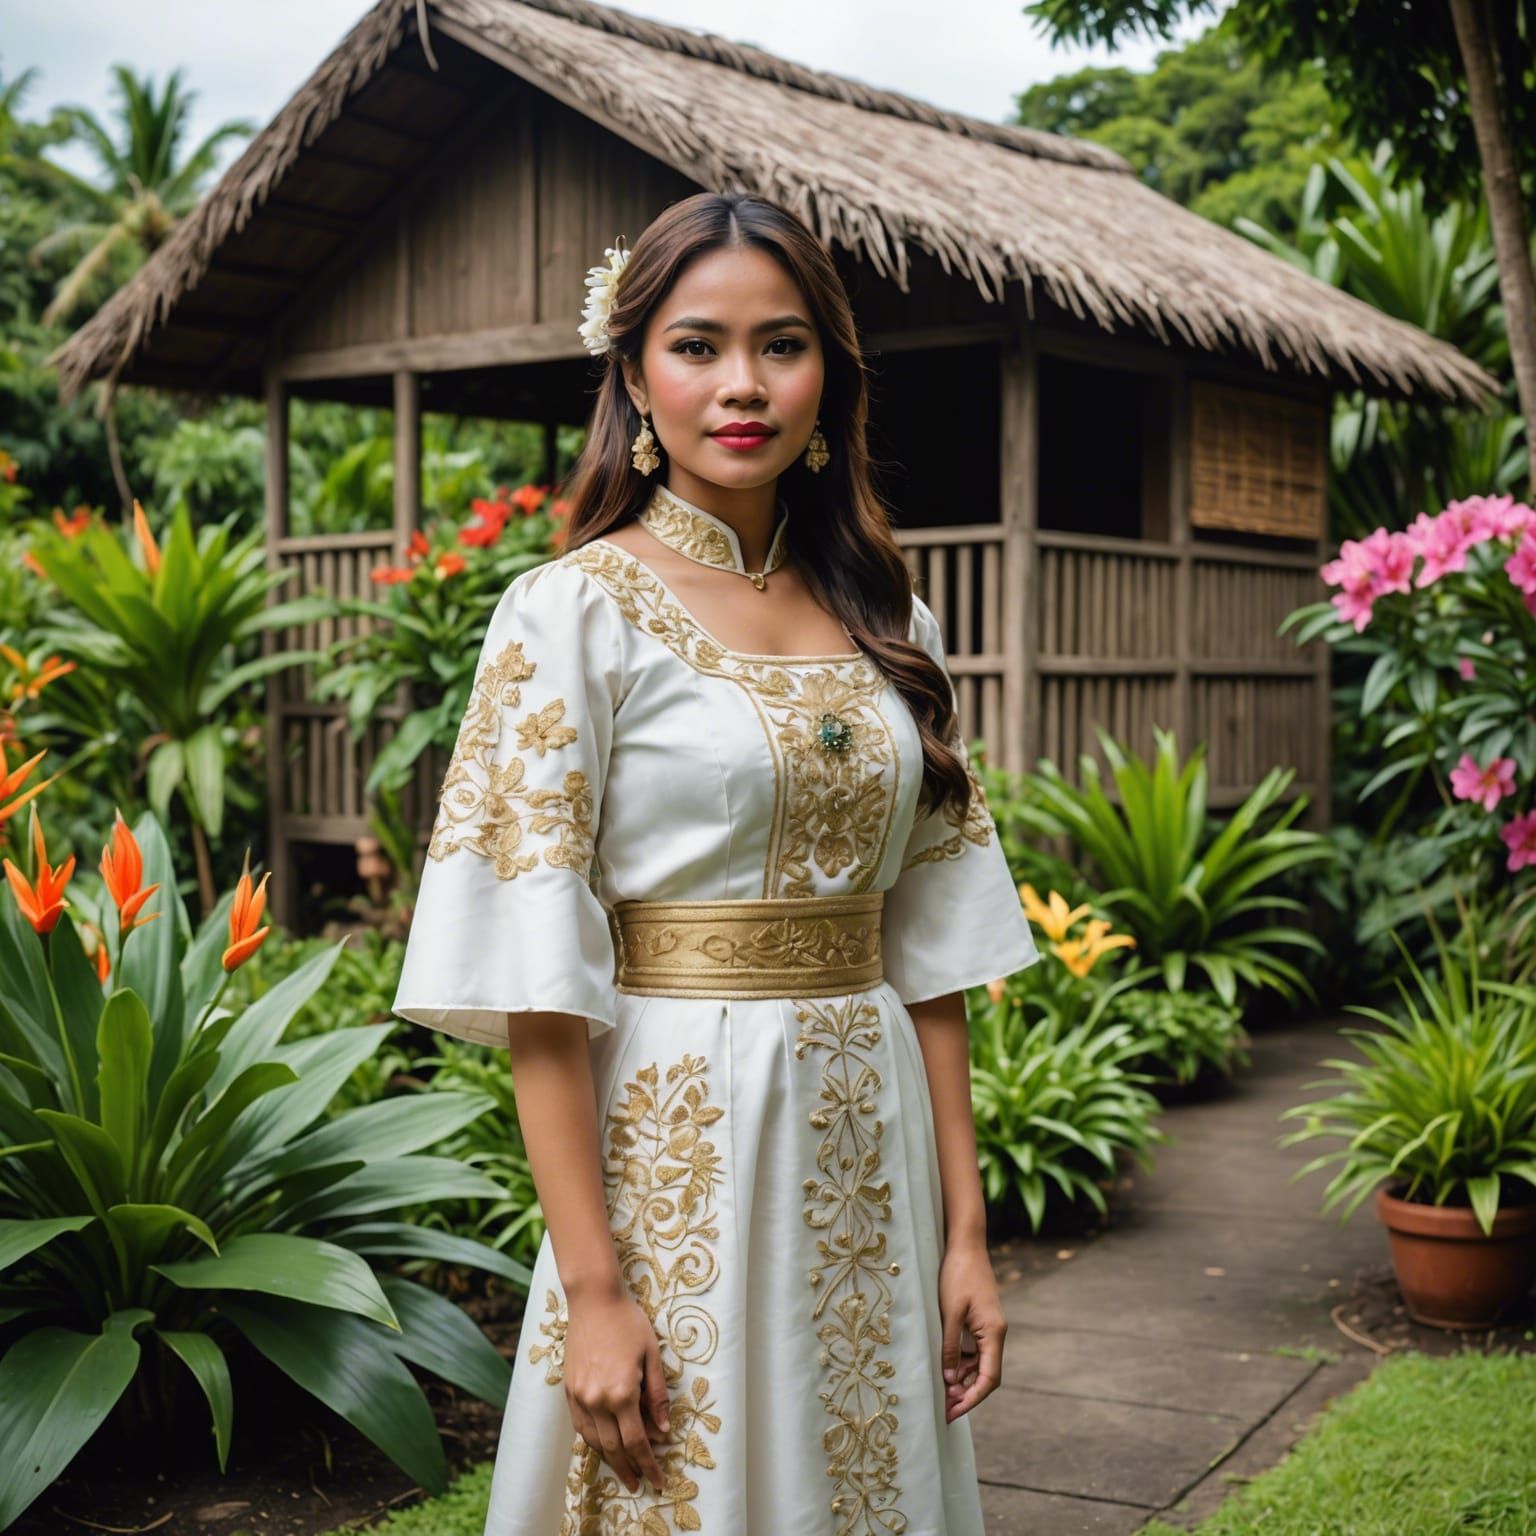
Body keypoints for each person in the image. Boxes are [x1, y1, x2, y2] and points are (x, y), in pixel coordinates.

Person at [392, 189, 1041, 1536]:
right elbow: (538, 982)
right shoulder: (569, 613)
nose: (741, 384)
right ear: (632, 375)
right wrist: (596, 1292)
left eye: (782, 344)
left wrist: (967, 1237)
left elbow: (929, 950)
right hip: (674, 1144)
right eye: (697, 345)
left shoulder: (889, 613)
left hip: (875, 1143)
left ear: (829, 377)